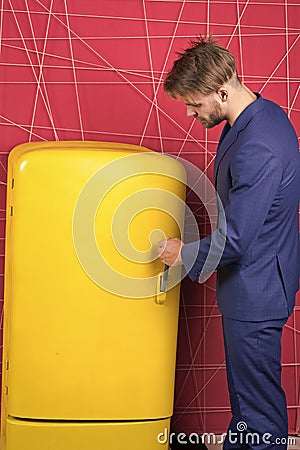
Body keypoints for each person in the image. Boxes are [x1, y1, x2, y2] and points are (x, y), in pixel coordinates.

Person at [158, 36, 300, 450]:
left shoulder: (258, 144)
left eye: (195, 104)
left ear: (223, 91)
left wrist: (180, 254)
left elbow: (235, 240)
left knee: (258, 409)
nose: (188, 112)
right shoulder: (261, 116)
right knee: (245, 400)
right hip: (255, 283)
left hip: (257, 289)